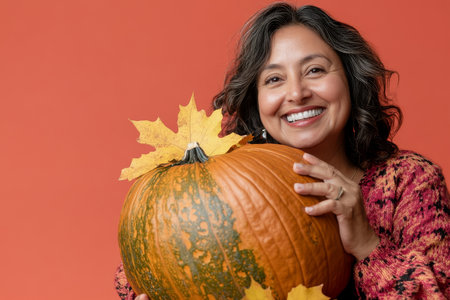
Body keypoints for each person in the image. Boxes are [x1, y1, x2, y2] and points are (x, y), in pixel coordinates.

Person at [115, 3, 450, 299]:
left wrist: (366, 244)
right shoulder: (219, 191)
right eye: (274, 79)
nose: (297, 93)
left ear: (350, 79)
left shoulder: (409, 182)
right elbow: (149, 270)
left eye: (315, 70)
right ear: (256, 101)